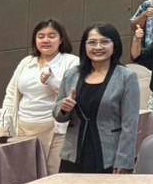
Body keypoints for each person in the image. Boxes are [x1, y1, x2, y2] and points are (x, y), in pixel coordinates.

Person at [54, 25, 141, 173]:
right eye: (92, 42)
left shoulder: (126, 77)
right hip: (74, 153)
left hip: (109, 156)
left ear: (114, 45)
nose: (98, 47)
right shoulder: (72, 74)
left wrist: (124, 162)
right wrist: (64, 108)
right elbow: (58, 115)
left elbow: (130, 125)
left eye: (104, 42)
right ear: (84, 46)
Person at [0, 18, 79, 164]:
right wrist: (4, 124)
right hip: (23, 127)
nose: (45, 40)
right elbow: (11, 94)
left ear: (61, 40)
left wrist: (51, 81)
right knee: (24, 172)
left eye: (52, 36)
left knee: (51, 173)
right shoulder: (26, 62)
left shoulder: (71, 61)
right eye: (41, 36)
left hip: (54, 129)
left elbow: (73, 93)